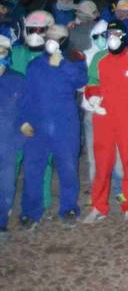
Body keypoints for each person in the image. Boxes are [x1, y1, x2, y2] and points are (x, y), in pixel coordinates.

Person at [17, 26, 86, 225]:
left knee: (68, 169)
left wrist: (62, 64)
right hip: (37, 127)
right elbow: (27, 95)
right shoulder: (35, 65)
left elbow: (81, 80)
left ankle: (69, 208)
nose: (52, 40)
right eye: (50, 37)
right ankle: (31, 211)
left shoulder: (74, 59)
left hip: (65, 127)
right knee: (33, 169)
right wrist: (23, 120)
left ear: (64, 41)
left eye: (58, 38)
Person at [82, 19, 128, 221]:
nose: (112, 39)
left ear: (124, 37)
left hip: (127, 118)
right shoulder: (99, 58)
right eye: (109, 36)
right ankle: (99, 206)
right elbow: (92, 83)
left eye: (117, 35)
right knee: (102, 163)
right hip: (104, 117)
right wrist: (92, 97)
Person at [0, 35, 22, 235]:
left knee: (6, 183)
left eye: (1, 51)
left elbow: (26, 112)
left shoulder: (17, 80)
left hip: (8, 142)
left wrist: (21, 139)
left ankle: (2, 220)